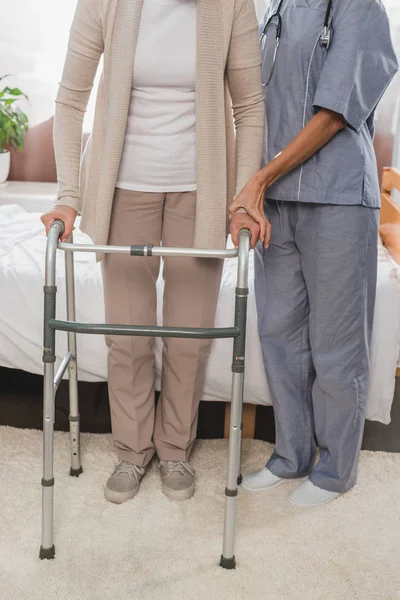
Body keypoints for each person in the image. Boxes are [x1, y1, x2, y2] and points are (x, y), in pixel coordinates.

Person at [41, 0, 264, 503]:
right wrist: (68, 196)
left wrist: (243, 198)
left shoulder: (231, 5)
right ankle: (131, 450)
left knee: (188, 337)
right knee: (128, 334)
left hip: (200, 193)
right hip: (122, 190)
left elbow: (249, 107)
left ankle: (176, 449)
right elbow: (70, 99)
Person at [230, 0, 399, 506]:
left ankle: (335, 470)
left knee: (335, 342)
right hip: (275, 202)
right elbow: (252, 103)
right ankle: (291, 455)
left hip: (338, 196)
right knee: (280, 334)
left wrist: (257, 179)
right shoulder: (273, 10)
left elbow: (335, 113)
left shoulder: (360, 9)